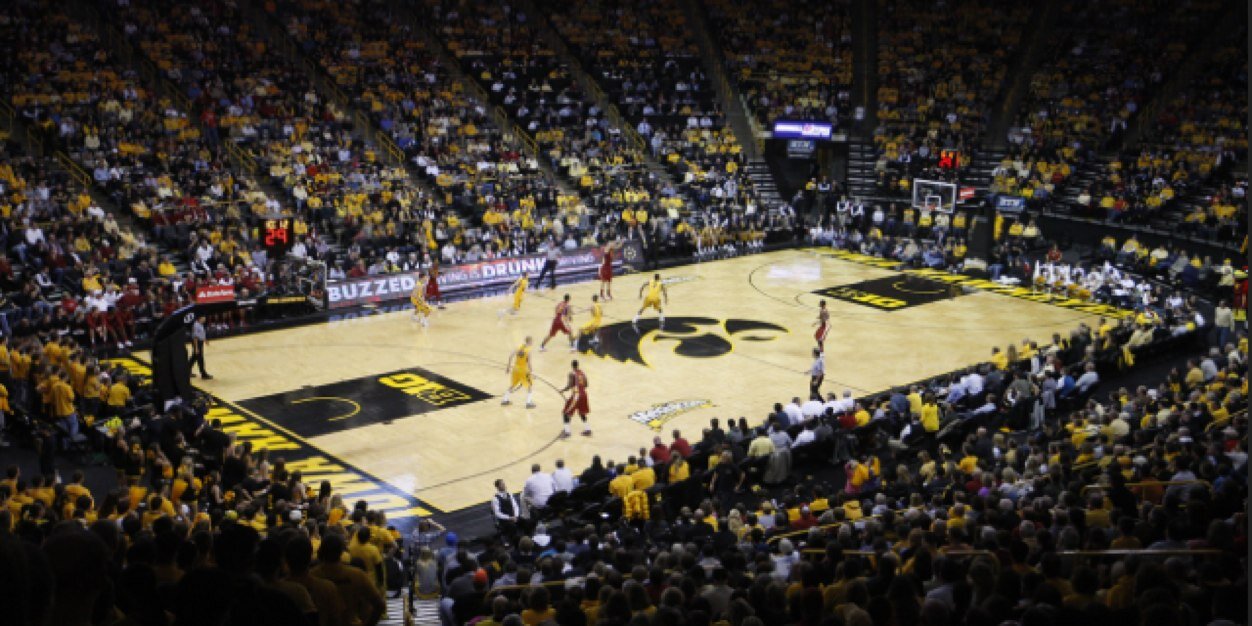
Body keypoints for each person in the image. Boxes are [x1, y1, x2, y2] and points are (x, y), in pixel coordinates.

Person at [560, 360, 591, 437]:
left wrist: (562, 390)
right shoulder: (582, 373)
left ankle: (567, 432)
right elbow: (586, 384)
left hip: (576, 395)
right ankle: (588, 430)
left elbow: (569, 386)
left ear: (572, 366)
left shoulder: (571, 373)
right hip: (584, 394)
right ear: (578, 365)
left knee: (565, 413)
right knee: (581, 413)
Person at [502, 336, 536, 408]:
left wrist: (508, 367)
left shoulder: (518, 347)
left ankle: (505, 400)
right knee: (529, 385)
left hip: (515, 369)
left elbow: (510, 356)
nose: (532, 343)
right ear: (529, 342)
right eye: (532, 342)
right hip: (524, 370)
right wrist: (532, 372)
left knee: (513, 384)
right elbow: (529, 363)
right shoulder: (528, 350)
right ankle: (528, 403)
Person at [491, 478, 521, 544]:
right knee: (512, 526)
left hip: (513, 517)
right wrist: (509, 518)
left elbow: (515, 506)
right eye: (502, 484)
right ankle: (514, 541)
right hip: (504, 520)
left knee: (525, 520)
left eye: (504, 483)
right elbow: (497, 513)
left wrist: (516, 516)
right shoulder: (495, 499)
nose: (504, 485)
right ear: (497, 487)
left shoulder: (509, 494)